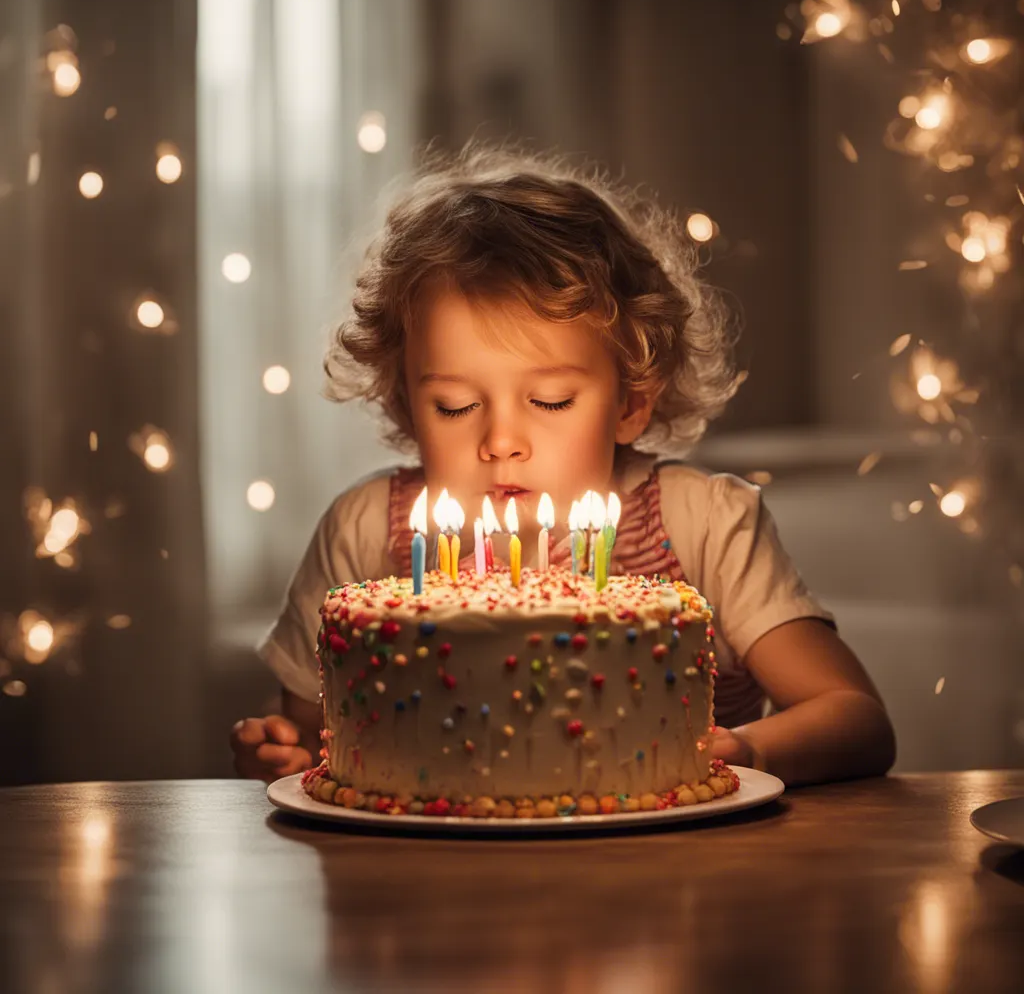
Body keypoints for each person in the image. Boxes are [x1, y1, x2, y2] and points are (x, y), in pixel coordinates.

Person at [231, 145, 896, 788]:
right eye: (455, 406)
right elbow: (317, 737)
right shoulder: (366, 531)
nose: (501, 441)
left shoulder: (706, 525)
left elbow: (856, 719)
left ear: (632, 402)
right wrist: (281, 757)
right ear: (405, 406)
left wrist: (741, 750)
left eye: (549, 400)